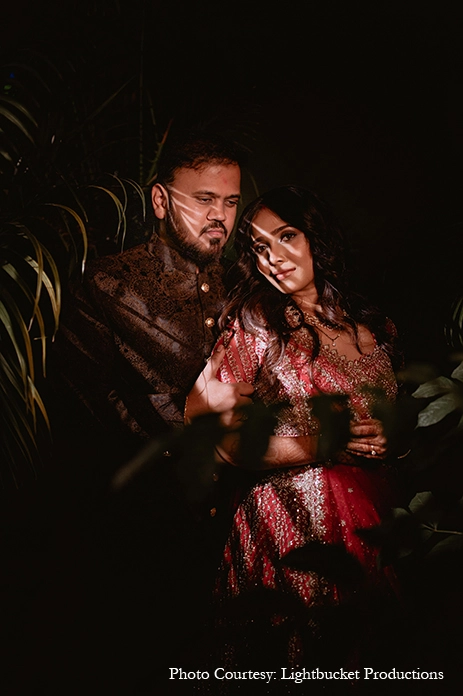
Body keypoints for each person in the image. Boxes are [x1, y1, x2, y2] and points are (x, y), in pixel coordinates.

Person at [206, 185, 404, 671]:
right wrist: (322, 444)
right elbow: (219, 440)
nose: (272, 258)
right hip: (287, 529)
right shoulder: (257, 325)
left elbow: (392, 428)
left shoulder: (376, 329)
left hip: (371, 527)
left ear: (318, 237)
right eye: (259, 248)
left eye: (287, 236)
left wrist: (390, 441)